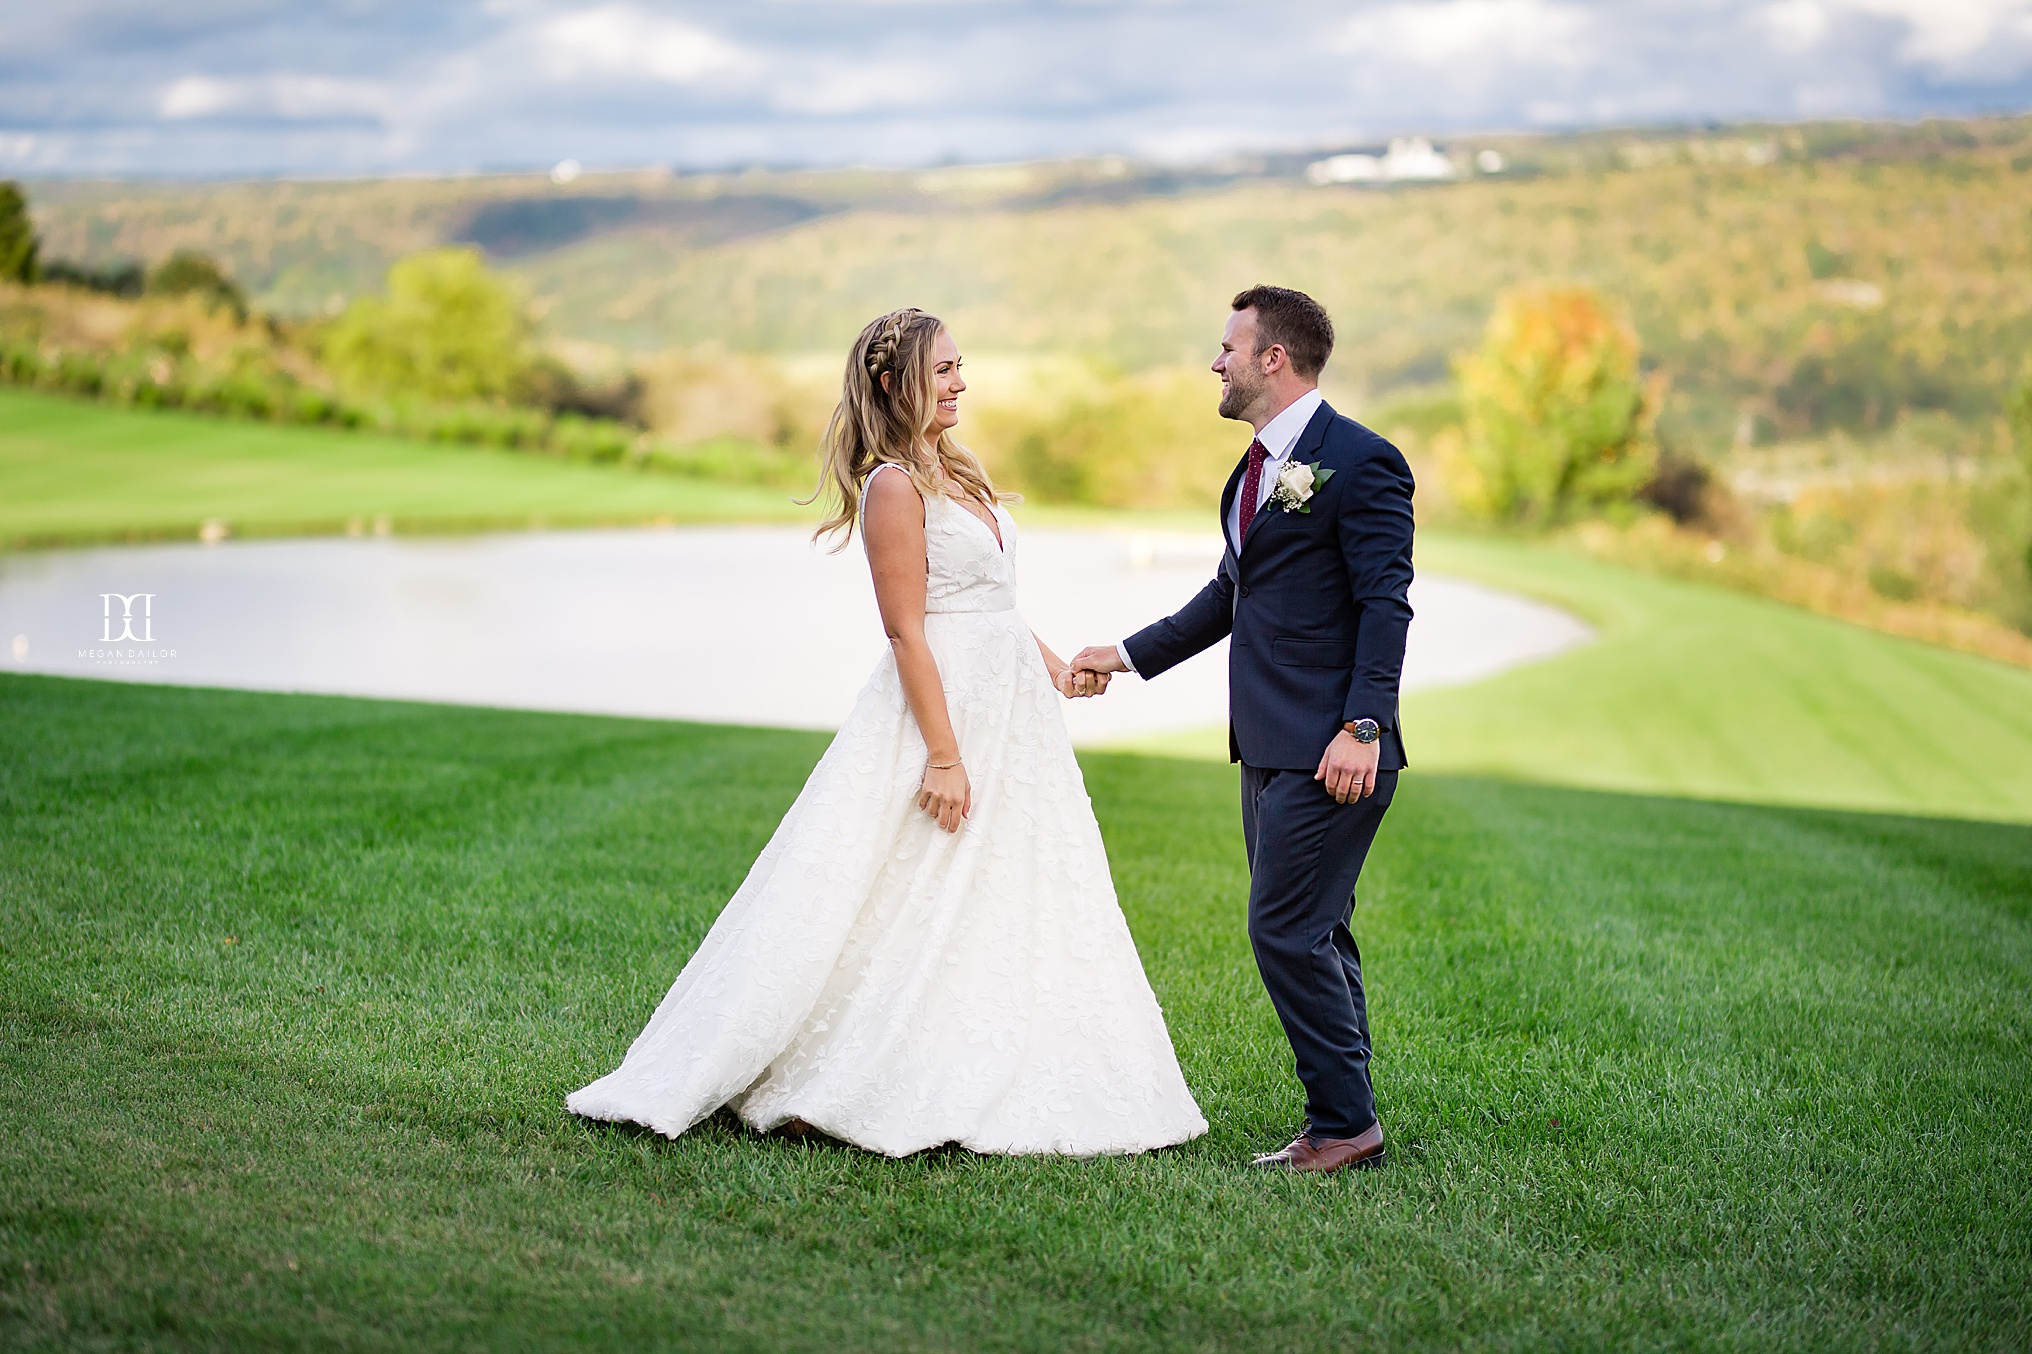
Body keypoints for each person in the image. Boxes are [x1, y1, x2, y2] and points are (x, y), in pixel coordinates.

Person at [568, 308, 1207, 1157]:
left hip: (1011, 709)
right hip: (940, 714)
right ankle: (835, 1073)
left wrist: (1054, 667)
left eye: (960, 367)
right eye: (943, 369)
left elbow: (990, 605)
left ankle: (985, 1054)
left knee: (993, 891)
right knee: (908, 885)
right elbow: (910, 629)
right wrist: (943, 755)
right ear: (892, 382)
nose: (960, 383)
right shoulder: (893, 487)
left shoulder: (957, 472)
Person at [1070, 285, 1415, 1174]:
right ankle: (1348, 1116)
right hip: (1265, 742)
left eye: (1227, 347)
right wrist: (1125, 654)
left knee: (1285, 931)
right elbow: (1232, 595)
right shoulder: (1255, 469)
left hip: (1334, 746)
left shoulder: (1363, 462)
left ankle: (1343, 1125)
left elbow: (1386, 603)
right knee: (1319, 928)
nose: (1213, 362)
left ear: (1273, 359)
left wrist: (1365, 725)